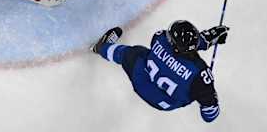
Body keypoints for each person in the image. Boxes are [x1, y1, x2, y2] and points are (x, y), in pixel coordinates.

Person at [92, 20, 230, 123]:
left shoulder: (160, 38)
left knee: (132, 53)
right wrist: (208, 94)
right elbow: (209, 116)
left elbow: (178, 48)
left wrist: (206, 39)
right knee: (186, 88)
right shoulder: (199, 75)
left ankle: (100, 47)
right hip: (166, 103)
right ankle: (101, 47)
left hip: (143, 82)